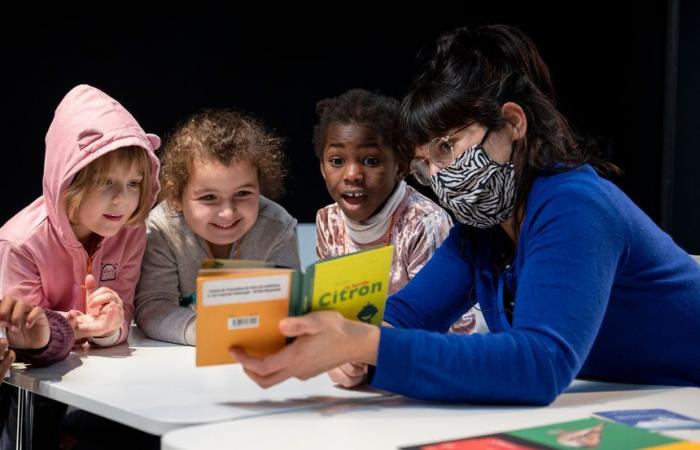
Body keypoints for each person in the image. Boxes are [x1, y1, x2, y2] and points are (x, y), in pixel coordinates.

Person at [231, 24, 700, 404]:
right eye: (425, 164)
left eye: (448, 146)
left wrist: (364, 344)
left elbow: (540, 365)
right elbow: (409, 312)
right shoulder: (487, 228)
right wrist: (354, 348)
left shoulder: (574, 203)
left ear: (513, 123)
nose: (439, 175)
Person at [0, 84, 161, 347]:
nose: (122, 199)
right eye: (106, 182)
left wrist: (107, 329)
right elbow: (22, 336)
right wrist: (72, 326)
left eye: (134, 183)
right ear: (69, 179)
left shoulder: (131, 231)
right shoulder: (19, 244)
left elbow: (124, 311)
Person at [135, 109, 300, 345]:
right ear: (176, 197)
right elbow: (153, 306)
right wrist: (202, 330)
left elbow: (286, 310)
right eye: (209, 197)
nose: (228, 212)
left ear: (260, 187)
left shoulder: (277, 227)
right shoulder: (162, 229)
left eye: (242, 193)